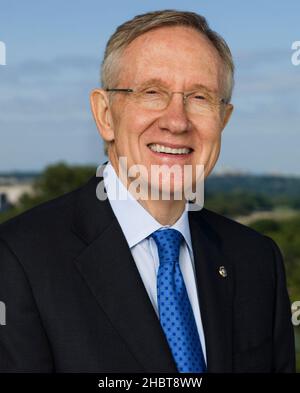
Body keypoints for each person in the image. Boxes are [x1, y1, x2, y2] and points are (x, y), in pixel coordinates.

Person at [0, 10, 295, 373]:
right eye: (152, 92)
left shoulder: (257, 260)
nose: (177, 121)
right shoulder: (17, 260)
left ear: (224, 119)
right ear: (105, 114)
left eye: (200, 97)